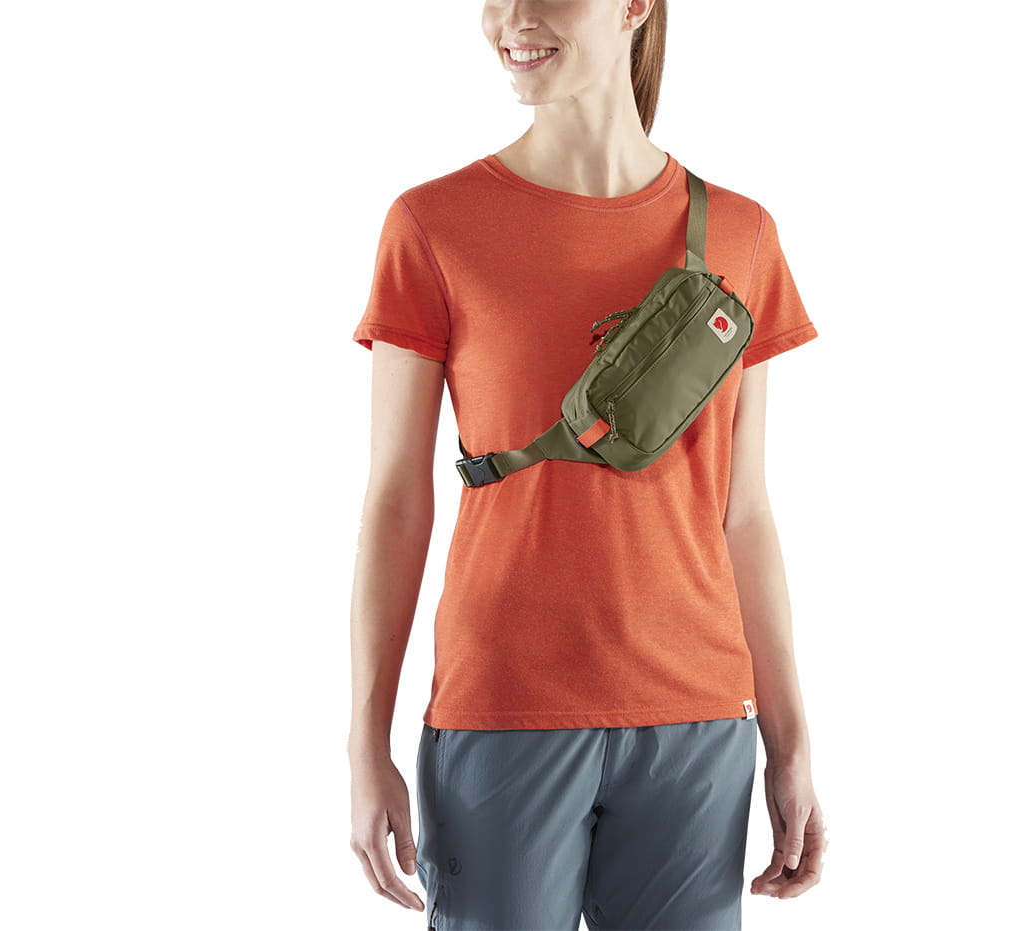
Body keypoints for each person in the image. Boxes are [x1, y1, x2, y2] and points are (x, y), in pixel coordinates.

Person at [346, 1, 828, 927]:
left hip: (697, 719)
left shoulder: (742, 234)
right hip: (501, 708)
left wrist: (792, 737)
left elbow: (745, 512)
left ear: (635, 6)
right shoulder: (432, 225)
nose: (514, 19)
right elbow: (397, 504)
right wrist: (365, 744)